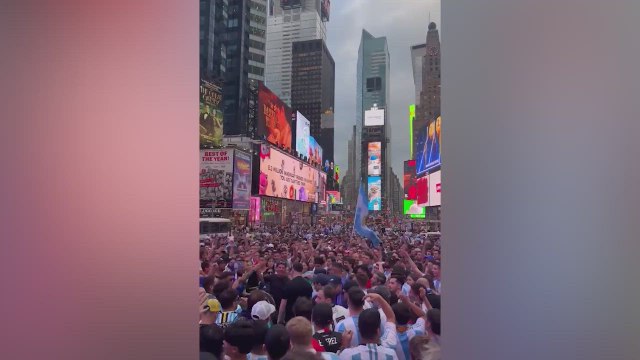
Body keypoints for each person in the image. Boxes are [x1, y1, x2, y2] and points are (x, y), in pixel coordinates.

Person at [338, 293, 399, 360]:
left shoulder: (347, 355)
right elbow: (391, 317)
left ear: (360, 331)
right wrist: (379, 298)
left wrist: (344, 346)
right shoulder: (390, 352)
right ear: (378, 331)